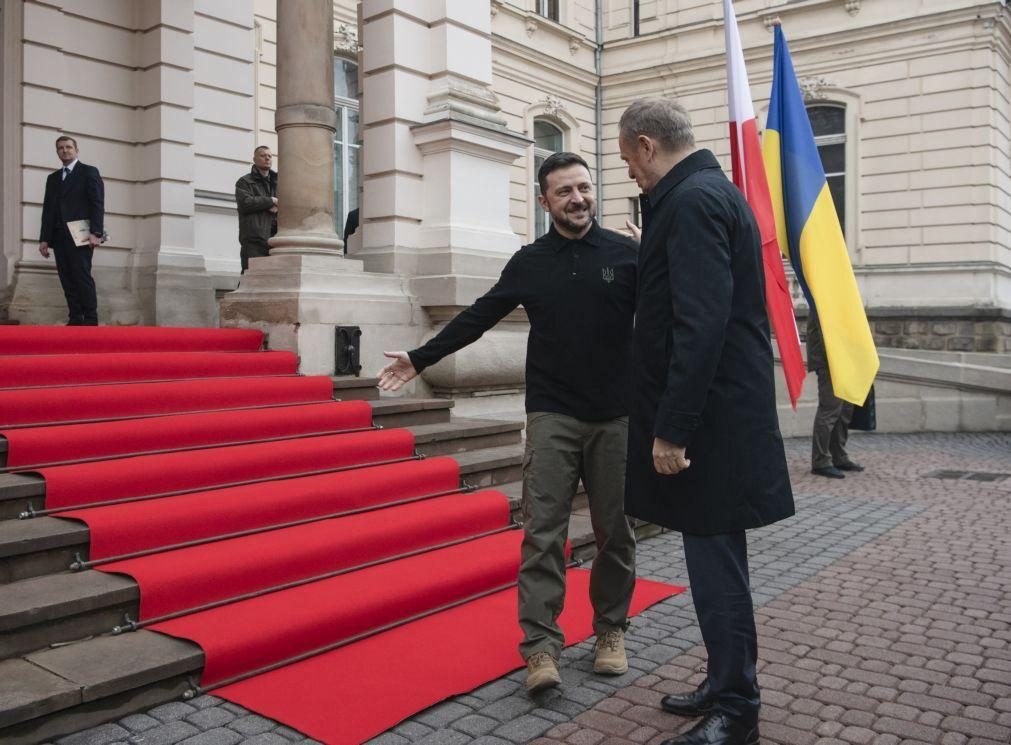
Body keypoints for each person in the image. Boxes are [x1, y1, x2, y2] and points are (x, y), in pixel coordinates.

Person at [376, 152, 638, 694]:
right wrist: (420, 357)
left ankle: (611, 630)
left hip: (616, 415)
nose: (577, 199)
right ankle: (541, 648)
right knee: (543, 534)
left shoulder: (626, 253)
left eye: (583, 188)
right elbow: (479, 315)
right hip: (552, 415)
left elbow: (667, 313)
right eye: (564, 191)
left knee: (616, 533)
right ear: (545, 202)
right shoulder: (530, 261)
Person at [618, 98, 794, 745]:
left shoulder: (691, 202)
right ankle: (725, 679)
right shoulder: (705, 194)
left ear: (644, 146)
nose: (631, 178)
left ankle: (737, 707)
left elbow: (700, 324)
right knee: (715, 562)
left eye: (627, 164)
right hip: (718, 418)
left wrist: (673, 426)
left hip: (708, 426)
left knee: (716, 566)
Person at [38, 135, 104, 326]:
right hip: (59, 237)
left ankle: (90, 318)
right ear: (57, 152)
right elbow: (48, 210)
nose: (65, 150)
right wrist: (44, 239)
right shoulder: (52, 179)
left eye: (68, 147)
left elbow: (97, 204)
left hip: (81, 235)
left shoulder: (89, 172)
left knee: (82, 276)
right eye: (60, 148)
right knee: (66, 277)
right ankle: (75, 317)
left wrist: (96, 232)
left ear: (76, 150)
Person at [806, 312, 863, 478]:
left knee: (845, 411)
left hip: (844, 359)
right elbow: (823, 332)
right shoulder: (823, 297)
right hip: (830, 362)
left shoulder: (837, 298)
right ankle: (820, 461)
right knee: (830, 410)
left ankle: (839, 456)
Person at [235, 145, 278, 272]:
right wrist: (271, 201)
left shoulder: (278, 180)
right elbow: (245, 203)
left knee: (271, 279)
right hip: (254, 238)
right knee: (250, 276)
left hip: (276, 238)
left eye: (270, 156)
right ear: (254, 159)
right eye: (263, 155)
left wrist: (276, 206)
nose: (267, 158)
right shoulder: (244, 181)